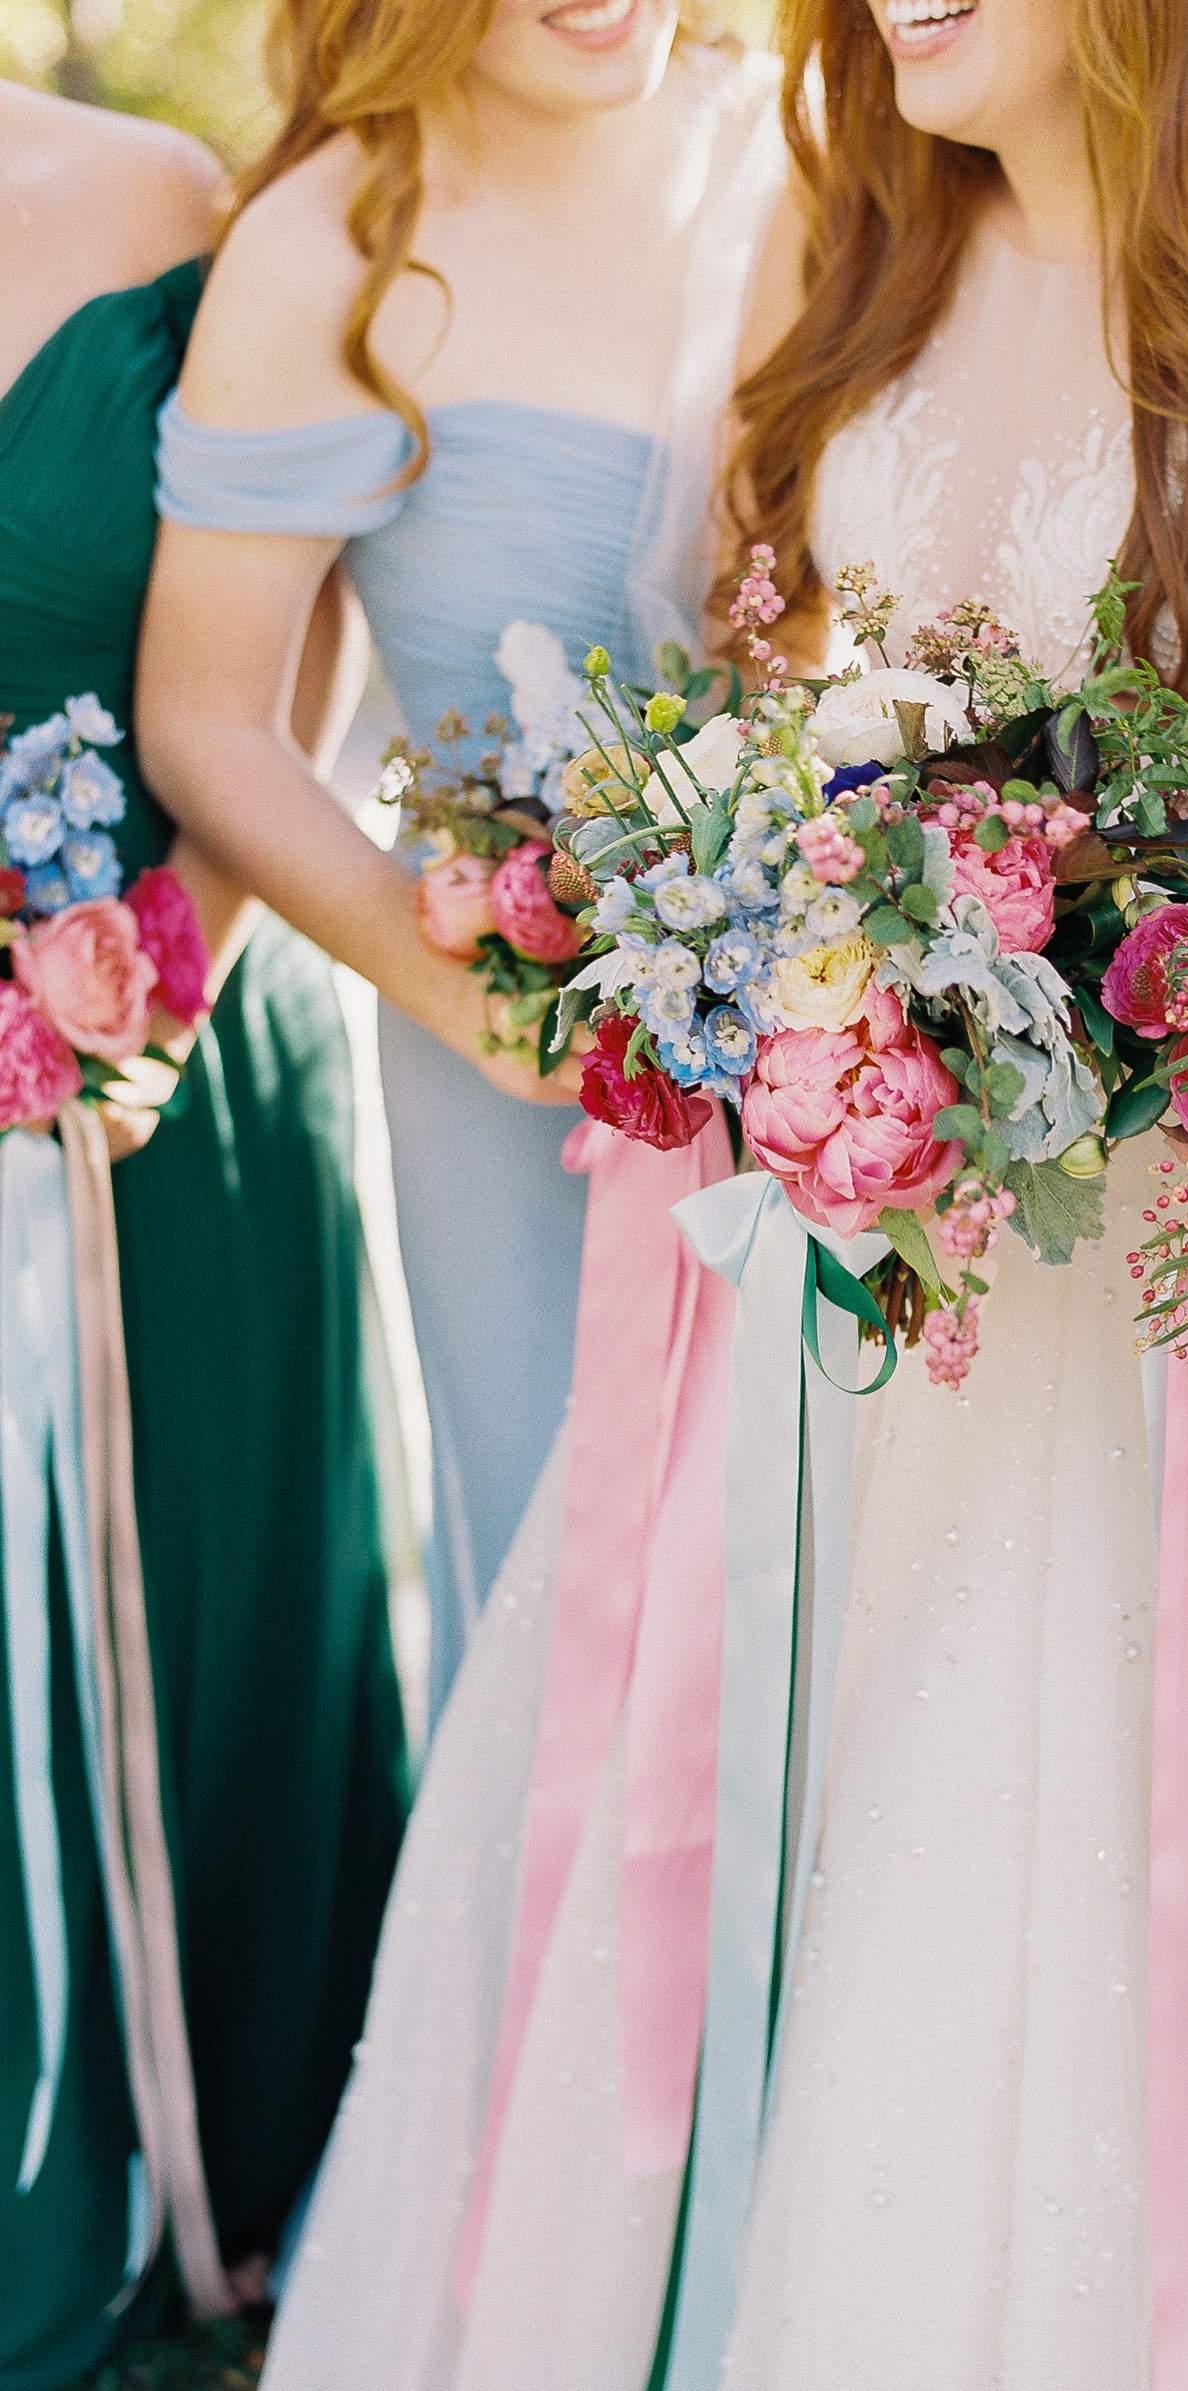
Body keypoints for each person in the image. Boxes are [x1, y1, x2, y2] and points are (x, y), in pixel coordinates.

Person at [696, 0, 1188, 2382]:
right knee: (906, 1844)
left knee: (1159, 1875)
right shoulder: (861, 263)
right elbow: (788, 712)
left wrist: (1088, 983)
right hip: (898, 1252)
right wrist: (840, 977)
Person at [138, 0, 763, 1717]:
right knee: (569, 1638)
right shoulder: (332, 242)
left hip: (846, 1046)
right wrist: (470, 999)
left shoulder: (823, 160)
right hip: (516, 1071)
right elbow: (207, 715)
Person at [0, 81, 407, 2386]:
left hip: (160, 1068)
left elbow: (297, 645)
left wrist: (157, 977)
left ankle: (232, 2155)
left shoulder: (164, 205)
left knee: (217, 1605)